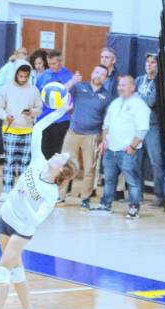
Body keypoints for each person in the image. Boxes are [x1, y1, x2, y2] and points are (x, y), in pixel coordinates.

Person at [0, 108, 78, 309]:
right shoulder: (38, 161)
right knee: (16, 272)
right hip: (6, 217)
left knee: (2, 269)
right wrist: (61, 110)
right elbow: (37, 128)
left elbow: (37, 220)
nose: (57, 155)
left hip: (22, 229)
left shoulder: (51, 193)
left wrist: (24, 198)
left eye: (61, 158)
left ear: (60, 172)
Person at [90, 76, 151, 219]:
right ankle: (105, 204)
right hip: (111, 149)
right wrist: (104, 141)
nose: (120, 87)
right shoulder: (115, 103)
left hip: (128, 150)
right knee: (109, 179)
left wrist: (132, 147)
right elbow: (106, 125)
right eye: (119, 85)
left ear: (132, 87)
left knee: (132, 181)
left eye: (124, 85)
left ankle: (134, 208)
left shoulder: (139, 105)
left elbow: (142, 130)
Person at [59, 64, 112, 208]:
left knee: (90, 168)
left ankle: (85, 198)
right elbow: (60, 92)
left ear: (105, 78)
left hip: (92, 135)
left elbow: (107, 121)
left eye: (102, 74)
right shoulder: (79, 87)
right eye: (96, 72)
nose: (98, 75)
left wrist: (103, 140)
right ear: (92, 72)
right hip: (73, 132)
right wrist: (71, 82)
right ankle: (60, 196)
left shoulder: (107, 97)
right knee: (65, 164)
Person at [0, 59, 42, 202]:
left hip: (27, 130)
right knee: (9, 161)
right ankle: (6, 191)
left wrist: (31, 112)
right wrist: (5, 116)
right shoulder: (6, 89)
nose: (23, 79)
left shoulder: (33, 90)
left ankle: (22, 189)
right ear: (15, 74)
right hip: (10, 130)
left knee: (25, 162)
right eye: (20, 76)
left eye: (26, 76)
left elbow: (39, 109)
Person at [0, 47, 28, 179]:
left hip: (21, 110)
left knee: (19, 138)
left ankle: (16, 168)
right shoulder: (6, 69)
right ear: (15, 57)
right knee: (1, 138)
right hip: (6, 109)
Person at [136, 53, 165, 207]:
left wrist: (137, 96)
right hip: (138, 127)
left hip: (152, 126)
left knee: (156, 162)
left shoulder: (160, 82)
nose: (149, 65)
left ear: (157, 65)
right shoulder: (140, 80)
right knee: (137, 161)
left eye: (152, 62)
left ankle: (159, 195)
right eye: (147, 62)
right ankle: (137, 194)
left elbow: (151, 101)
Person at [35, 50, 73, 160]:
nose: (51, 66)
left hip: (61, 120)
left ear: (60, 62)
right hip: (44, 119)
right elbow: (37, 95)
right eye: (49, 63)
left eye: (54, 63)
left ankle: (57, 176)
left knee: (58, 152)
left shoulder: (68, 75)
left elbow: (71, 98)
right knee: (44, 152)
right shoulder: (43, 76)